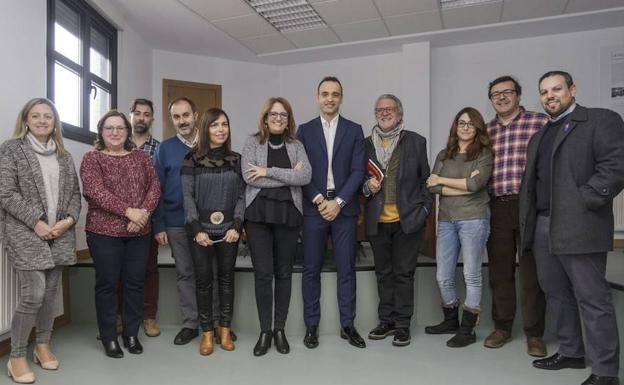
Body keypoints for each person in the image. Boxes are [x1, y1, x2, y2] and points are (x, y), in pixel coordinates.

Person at [520, 71, 624, 385]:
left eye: (556, 89)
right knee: (556, 294)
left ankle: (605, 372)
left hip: (580, 224)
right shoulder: (539, 135)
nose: (550, 95)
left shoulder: (599, 120)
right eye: (544, 91)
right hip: (542, 225)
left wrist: (586, 199)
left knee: (592, 298)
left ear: (572, 90)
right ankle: (572, 352)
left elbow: (616, 165)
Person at [0, 98, 81, 383]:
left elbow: (74, 195)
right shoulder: (11, 150)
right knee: (33, 293)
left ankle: (43, 346)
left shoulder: (64, 155)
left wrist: (67, 221)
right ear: (26, 120)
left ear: (55, 122)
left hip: (59, 233)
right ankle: (17, 356)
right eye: (36, 116)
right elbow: (6, 193)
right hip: (25, 231)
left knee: (49, 294)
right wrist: (37, 222)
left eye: (48, 116)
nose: (43, 121)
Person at [80, 110, 160, 358]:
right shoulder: (92, 159)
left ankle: (131, 334)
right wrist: (129, 212)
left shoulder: (141, 158)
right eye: (109, 128)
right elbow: (95, 192)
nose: (115, 132)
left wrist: (144, 214)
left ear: (127, 132)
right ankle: (109, 338)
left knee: (135, 283)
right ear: (101, 132)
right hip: (103, 233)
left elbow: (155, 186)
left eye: (120, 128)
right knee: (107, 284)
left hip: (140, 232)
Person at [297, 76, 366, 349]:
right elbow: (300, 170)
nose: (329, 98)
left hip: (344, 210)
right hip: (314, 209)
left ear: (341, 98)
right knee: (310, 269)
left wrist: (338, 202)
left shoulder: (354, 130)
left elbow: (358, 171)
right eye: (325, 94)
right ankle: (311, 326)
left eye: (335, 94)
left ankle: (348, 325)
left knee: (346, 270)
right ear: (317, 97)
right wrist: (318, 199)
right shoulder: (303, 131)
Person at [484, 75, 548, 357]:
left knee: (532, 272)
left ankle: (534, 334)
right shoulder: (485, 132)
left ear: (519, 95)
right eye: (496, 94)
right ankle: (502, 327)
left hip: (529, 206)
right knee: (500, 271)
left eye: (507, 92)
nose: (501, 97)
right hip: (496, 206)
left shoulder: (540, 123)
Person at [242, 97, 312, 356]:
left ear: (289, 119)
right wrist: (286, 175)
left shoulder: (296, 144)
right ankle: (265, 331)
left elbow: (305, 176)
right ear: (265, 117)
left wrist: (267, 171)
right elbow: (249, 176)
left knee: (283, 273)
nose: (279, 118)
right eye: (274, 114)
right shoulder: (252, 142)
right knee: (263, 274)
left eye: (284, 115)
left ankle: (279, 329)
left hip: (288, 215)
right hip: (258, 216)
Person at [362, 94, 431, 347]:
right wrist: (367, 186)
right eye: (380, 109)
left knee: (404, 274)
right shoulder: (366, 144)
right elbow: (358, 180)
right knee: (383, 274)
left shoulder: (415, 141)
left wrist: (424, 210)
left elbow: (426, 180)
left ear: (400, 114)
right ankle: (386, 321)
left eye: (390, 109)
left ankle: (402, 325)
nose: (385, 112)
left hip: (407, 221)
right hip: (377, 220)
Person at [425, 107, 493, 348]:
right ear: (455, 126)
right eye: (461, 123)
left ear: (477, 128)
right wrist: (464, 185)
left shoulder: (484, 154)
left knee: (471, 274)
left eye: (470, 123)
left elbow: (476, 184)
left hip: (473, 218)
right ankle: (451, 320)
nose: (465, 127)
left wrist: (443, 180)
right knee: (443, 275)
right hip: (446, 220)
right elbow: (430, 187)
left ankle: (468, 329)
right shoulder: (445, 154)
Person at [181, 108, 245, 356]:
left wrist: (237, 226)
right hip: (201, 232)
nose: (220, 129)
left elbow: (242, 195)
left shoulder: (237, 159)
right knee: (204, 281)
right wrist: (197, 229)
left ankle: (225, 330)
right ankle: (207, 332)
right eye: (215, 125)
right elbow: (187, 196)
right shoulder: (191, 159)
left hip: (229, 231)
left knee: (227, 279)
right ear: (206, 128)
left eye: (225, 125)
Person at [152, 97, 200, 345]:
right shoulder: (164, 149)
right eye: (176, 117)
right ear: (171, 120)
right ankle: (191, 324)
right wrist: (158, 224)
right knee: (185, 272)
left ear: (195, 115)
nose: (182, 121)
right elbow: (155, 189)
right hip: (175, 221)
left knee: (210, 272)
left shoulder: (211, 141)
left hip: (208, 223)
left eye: (186, 115)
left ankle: (214, 322)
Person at [128, 98, 161, 337]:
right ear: (131, 115)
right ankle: (120, 317)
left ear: (152, 118)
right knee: (119, 270)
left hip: (148, 218)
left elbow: (158, 186)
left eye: (146, 114)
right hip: (118, 217)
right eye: (137, 113)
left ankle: (149, 317)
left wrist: (144, 214)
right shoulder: (117, 143)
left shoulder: (159, 149)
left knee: (149, 269)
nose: (141, 118)